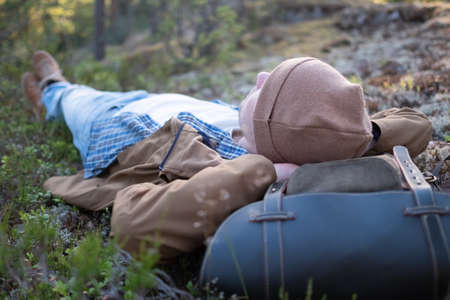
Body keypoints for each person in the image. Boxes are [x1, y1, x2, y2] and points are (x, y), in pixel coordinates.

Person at [22, 51, 432, 260]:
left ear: (272, 134)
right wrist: (364, 133)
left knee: (78, 98)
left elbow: (134, 227)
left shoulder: (222, 170)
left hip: (113, 123)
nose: (260, 76)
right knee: (109, 93)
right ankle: (55, 95)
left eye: (267, 89)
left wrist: (260, 170)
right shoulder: (302, 134)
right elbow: (418, 124)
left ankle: (53, 90)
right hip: (171, 102)